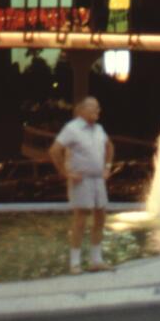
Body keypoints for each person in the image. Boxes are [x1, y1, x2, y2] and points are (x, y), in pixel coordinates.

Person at [49, 96, 115, 274]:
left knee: (100, 218)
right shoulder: (72, 128)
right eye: (94, 107)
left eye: (98, 107)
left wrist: (108, 167)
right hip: (82, 179)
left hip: (98, 179)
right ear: (82, 110)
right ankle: (75, 263)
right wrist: (65, 173)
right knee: (80, 219)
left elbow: (110, 146)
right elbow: (54, 150)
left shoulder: (99, 129)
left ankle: (96, 260)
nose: (98, 111)